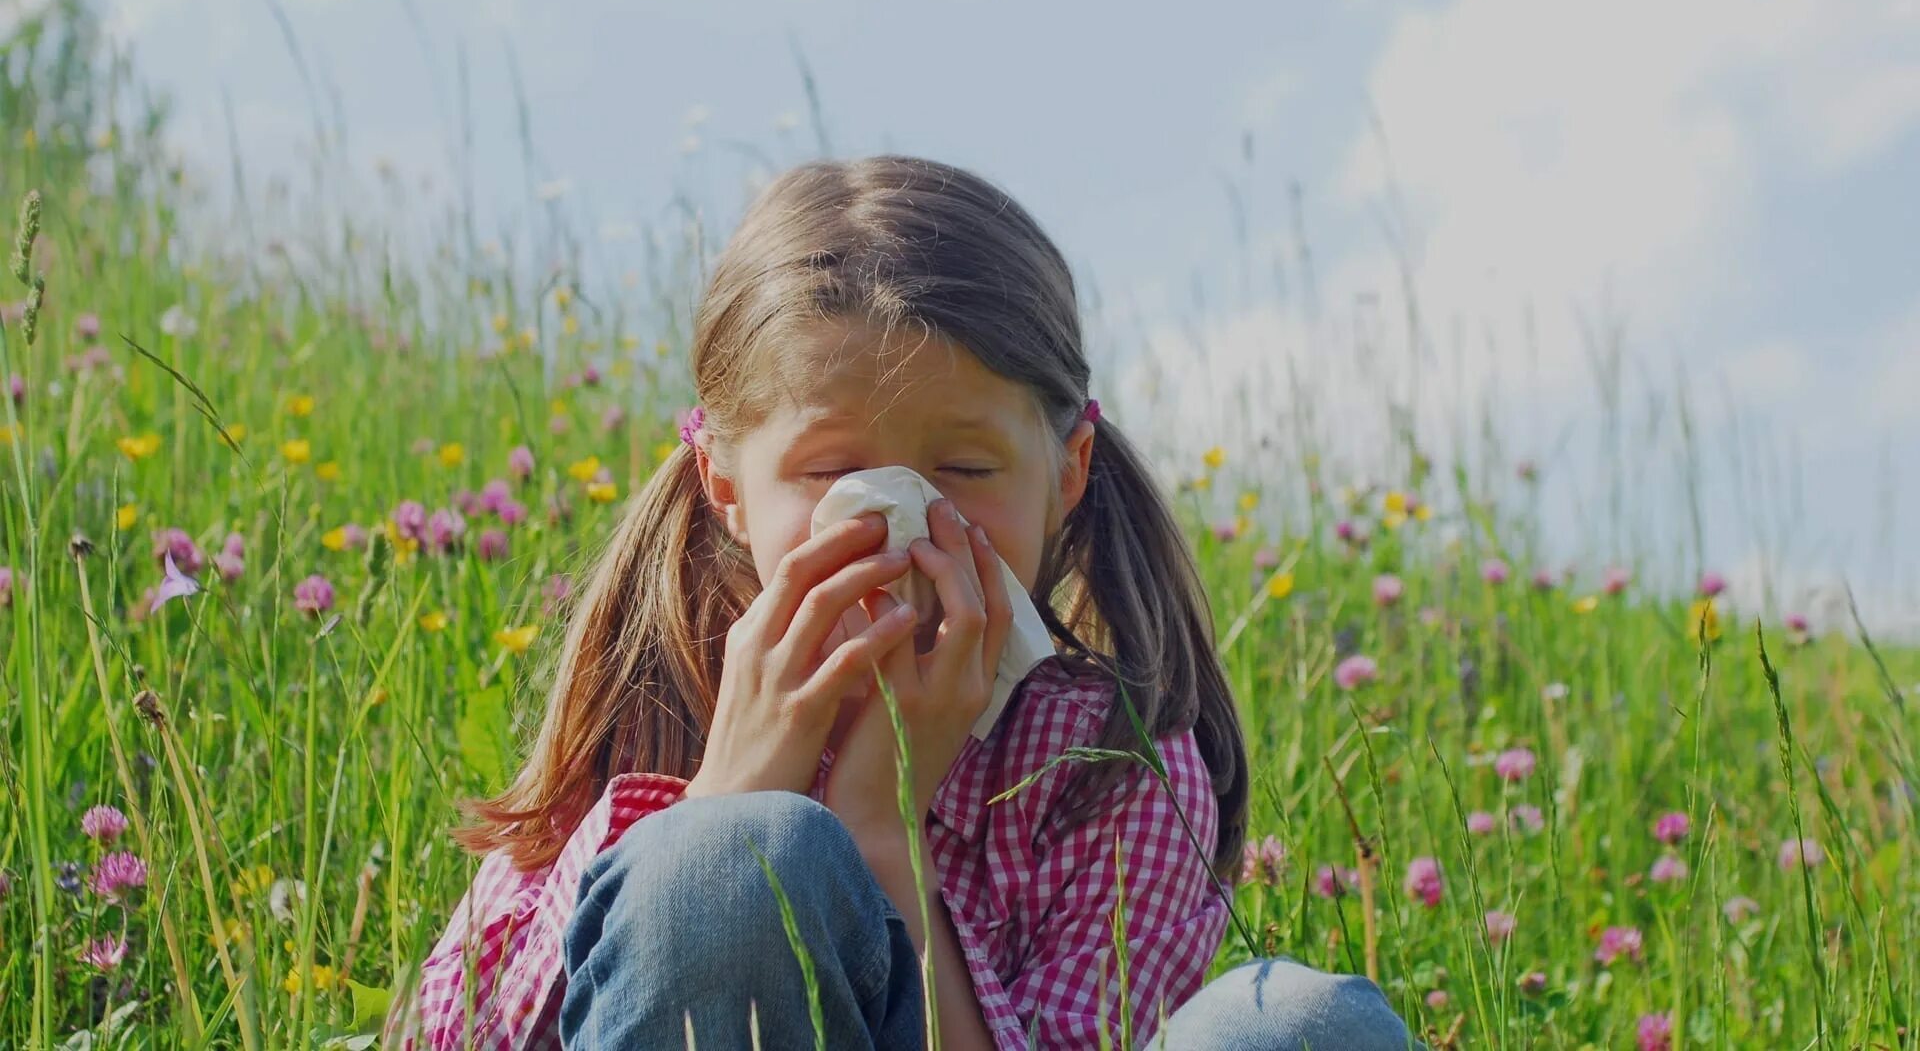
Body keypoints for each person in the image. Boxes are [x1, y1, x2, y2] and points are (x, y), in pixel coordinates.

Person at [386, 154, 1420, 1050]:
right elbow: (450, 1030)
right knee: (727, 861)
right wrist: (733, 791)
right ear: (726, 487)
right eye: (834, 471)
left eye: (965, 467)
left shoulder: (1110, 762)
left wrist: (886, 835)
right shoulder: (658, 706)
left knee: (1295, 1026)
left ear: (1068, 471)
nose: (907, 520)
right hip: (703, 806)